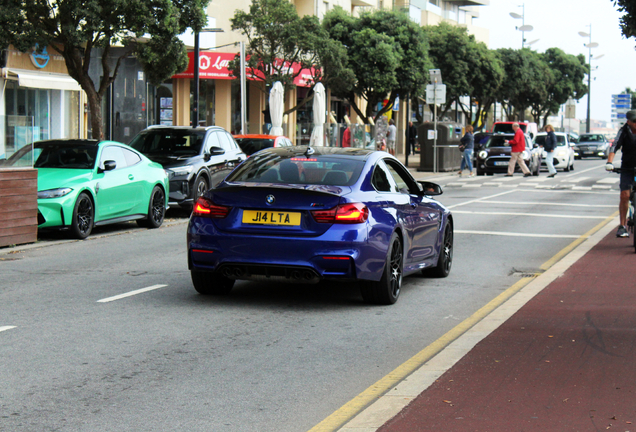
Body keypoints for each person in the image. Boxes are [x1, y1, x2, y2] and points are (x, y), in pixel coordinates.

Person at [605, 109, 636, 238]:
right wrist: (609, 162)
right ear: (628, 122)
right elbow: (614, 146)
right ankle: (622, 226)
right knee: (624, 195)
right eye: (635, 121)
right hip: (627, 167)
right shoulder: (623, 132)